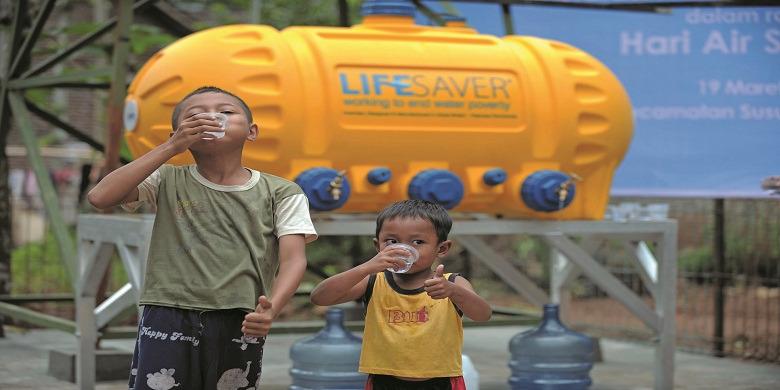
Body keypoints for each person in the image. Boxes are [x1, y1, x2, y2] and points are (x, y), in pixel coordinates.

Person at [88, 86, 317, 390]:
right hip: (168, 311)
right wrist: (171, 147)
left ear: (252, 131)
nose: (211, 117)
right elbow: (100, 197)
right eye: (194, 116)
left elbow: (294, 259)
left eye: (225, 112)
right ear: (179, 132)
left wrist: (272, 307)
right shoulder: (167, 179)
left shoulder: (281, 192)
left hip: (241, 316)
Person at [310, 199, 492, 390]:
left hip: (442, 380)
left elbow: (483, 315)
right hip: (384, 380)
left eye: (418, 242)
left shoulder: (452, 283)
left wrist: (453, 292)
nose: (404, 250)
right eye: (392, 241)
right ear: (378, 246)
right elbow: (320, 297)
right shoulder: (373, 280)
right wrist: (366, 267)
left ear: (442, 248)